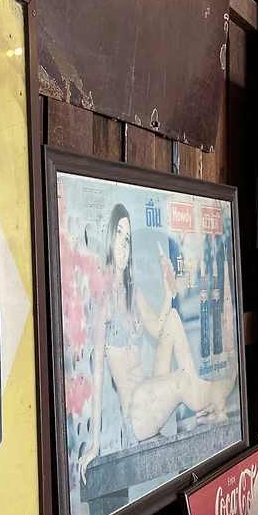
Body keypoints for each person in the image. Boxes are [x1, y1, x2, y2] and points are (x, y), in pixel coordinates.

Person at [77, 205, 236, 482]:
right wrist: (94, 445)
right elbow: (99, 373)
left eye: (128, 238)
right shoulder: (104, 301)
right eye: (118, 234)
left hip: (150, 389)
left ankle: (207, 401)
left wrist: (167, 291)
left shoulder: (133, 293)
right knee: (181, 381)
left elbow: (160, 328)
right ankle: (213, 396)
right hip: (136, 412)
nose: (123, 243)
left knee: (173, 318)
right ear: (109, 239)